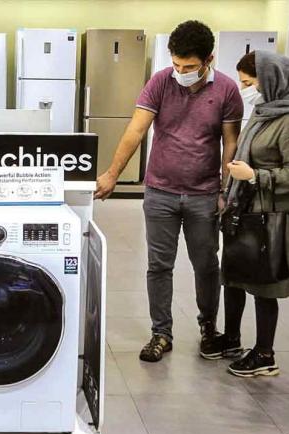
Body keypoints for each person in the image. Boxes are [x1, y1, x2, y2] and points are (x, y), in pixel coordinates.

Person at [94, 20, 243, 362]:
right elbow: (136, 130)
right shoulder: (161, 81)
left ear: (208, 59)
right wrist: (113, 174)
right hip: (160, 191)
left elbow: (230, 144)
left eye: (189, 67)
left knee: (206, 265)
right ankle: (161, 333)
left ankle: (209, 328)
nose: (181, 72)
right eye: (176, 64)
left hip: (204, 194)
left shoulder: (227, 90)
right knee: (159, 266)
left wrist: (226, 190)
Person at [202, 51, 289, 377]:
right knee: (234, 277)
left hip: (269, 216)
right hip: (243, 210)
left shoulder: (285, 120)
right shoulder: (262, 112)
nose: (244, 89)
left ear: (270, 80)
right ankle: (232, 338)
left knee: (264, 286)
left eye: (249, 82)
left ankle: (265, 354)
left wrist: (254, 175)